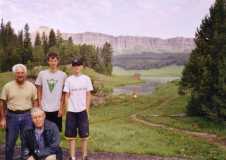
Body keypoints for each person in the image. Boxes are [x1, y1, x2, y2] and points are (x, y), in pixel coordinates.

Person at [0, 64, 38, 160]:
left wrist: (35, 117)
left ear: (25, 74)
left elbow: (35, 102)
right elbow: (2, 103)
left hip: (27, 116)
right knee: (10, 143)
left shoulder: (31, 86)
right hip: (12, 116)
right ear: (14, 74)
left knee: (26, 143)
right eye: (18, 73)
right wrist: (3, 118)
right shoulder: (7, 86)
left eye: (22, 73)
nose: (20, 75)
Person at [64, 58, 93, 160]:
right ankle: (72, 157)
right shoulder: (68, 80)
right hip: (71, 111)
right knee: (71, 137)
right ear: (72, 67)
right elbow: (66, 96)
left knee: (84, 136)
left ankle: (84, 156)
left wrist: (87, 110)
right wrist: (67, 110)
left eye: (78, 65)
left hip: (82, 111)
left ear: (82, 67)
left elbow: (88, 95)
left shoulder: (86, 79)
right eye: (75, 65)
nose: (77, 67)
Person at [35, 52, 67, 131]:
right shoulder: (42, 74)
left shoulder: (63, 75)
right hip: (44, 107)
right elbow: (38, 90)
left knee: (56, 130)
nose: (53, 63)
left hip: (57, 107)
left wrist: (61, 107)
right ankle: (44, 144)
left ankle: (55, 144)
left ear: (58, 61)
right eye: (51, 61)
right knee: (43, 129)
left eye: (55, 61)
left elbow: (64, 93)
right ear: (48, 62)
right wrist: (40, 104)